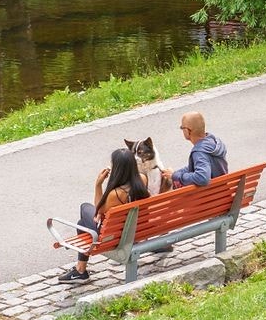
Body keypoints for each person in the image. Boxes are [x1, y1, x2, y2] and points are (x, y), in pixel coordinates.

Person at [57, 147, 149, 284]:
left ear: (117, 169)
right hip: (138, 230)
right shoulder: (142, 179)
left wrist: (98, 185)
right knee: (83, 223)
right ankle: (80, 270)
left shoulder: (116, 194)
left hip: (117, 236)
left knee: (84, 212)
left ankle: (81, 270)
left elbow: (98, 211)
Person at [169, 111, 229, 187]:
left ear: (188, 131)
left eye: (182, 128)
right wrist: (175, 174)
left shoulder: (199, 152)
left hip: (210, 196)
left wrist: (177, 176)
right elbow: (199, 165)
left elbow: (202, 178)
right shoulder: (213, 142)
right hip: (223, 191)